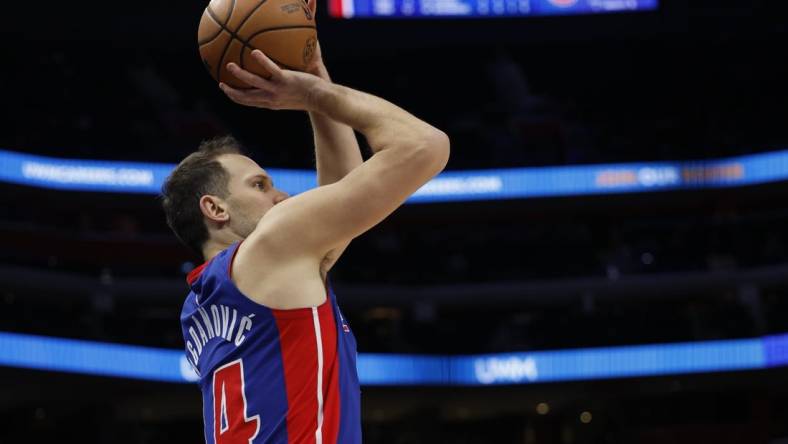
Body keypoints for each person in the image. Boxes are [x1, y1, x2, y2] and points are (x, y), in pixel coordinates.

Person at [160, 19, 450, 444]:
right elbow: (426, 145)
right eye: (259, 185)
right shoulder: (273, 245)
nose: (280, 197)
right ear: (214, 207)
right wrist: (314, 94)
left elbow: (339, 196)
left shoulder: (201, 303)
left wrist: (316, 78)